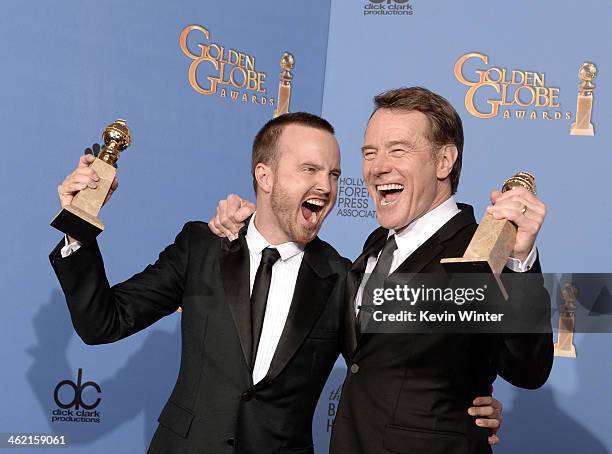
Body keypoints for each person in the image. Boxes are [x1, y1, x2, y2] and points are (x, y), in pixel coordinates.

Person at [210, 87, 553, 453]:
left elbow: (528, 368)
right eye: (369, 153)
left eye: (398, 149)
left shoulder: (478, 250)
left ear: (444, 161)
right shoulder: (375, 245)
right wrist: (247, 230)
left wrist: (519, 260)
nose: (377, 167)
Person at [50, 112, 349, 454]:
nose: (326, 187)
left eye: (334, 174)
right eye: (309, 169)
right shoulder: (201, 247)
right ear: (265, 176)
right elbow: (103, 323)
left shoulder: (341, 277)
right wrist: (78, 227)